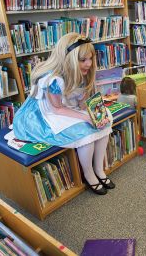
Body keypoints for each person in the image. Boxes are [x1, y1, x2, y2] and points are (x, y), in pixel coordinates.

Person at [13, 32, 115, 195]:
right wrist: (86, 117)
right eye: (83, 60)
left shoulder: (82, 72)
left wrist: (94, 113)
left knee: (104, 121)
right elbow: (56, 109)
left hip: (68, 106)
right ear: (69, 59)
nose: (89, 64)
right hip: (45, 114)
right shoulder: (54, 79)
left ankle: (99, 170)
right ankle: (89, 175)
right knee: (85, 134)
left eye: (90, 58)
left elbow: (81, 103)